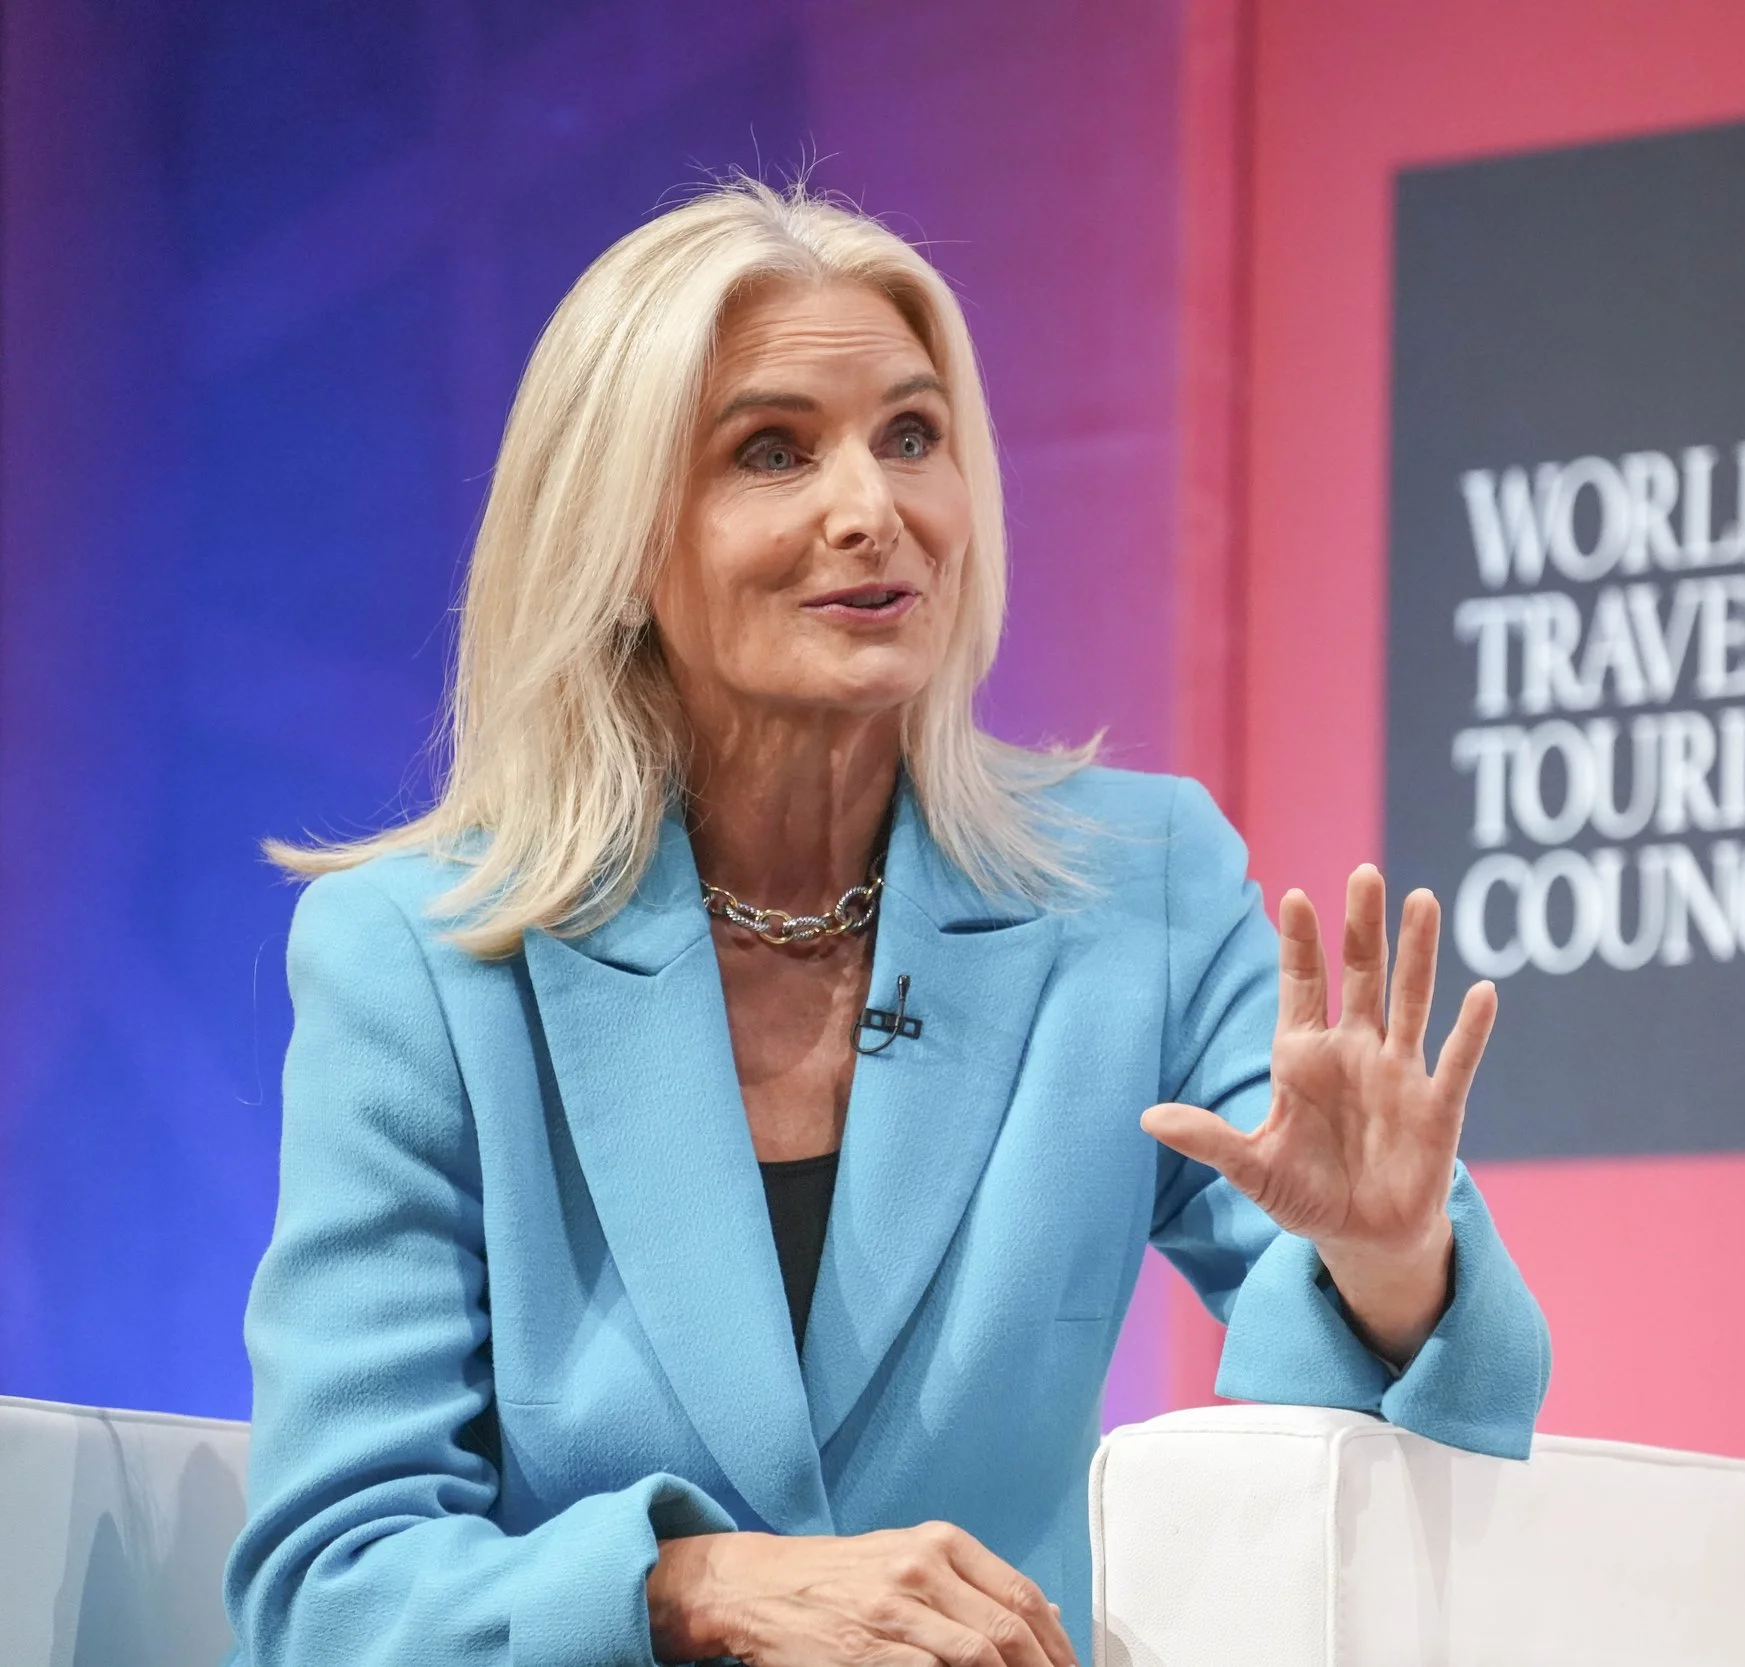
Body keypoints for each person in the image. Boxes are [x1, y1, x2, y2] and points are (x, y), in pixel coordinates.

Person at [221, 178, 1550, 1667]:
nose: (873, 510)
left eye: (912, 437)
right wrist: (697, 1590)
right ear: (620, 538)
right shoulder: (426, 959)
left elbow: (1403, 1425)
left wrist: (1389, 1256)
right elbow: (328, 1591)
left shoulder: (1140, 887)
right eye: (773, 451)